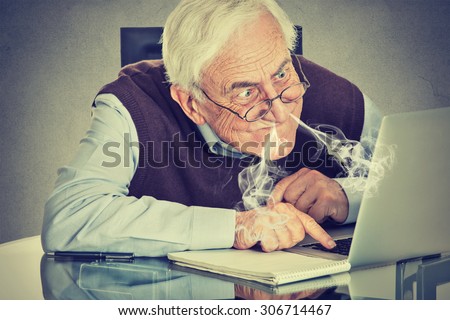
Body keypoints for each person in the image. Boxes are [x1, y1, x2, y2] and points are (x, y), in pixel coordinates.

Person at [42, 0, 382, 257]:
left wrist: (348, 194)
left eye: (281, 73)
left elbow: (424, 184)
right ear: (192, 103)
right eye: (247, 92)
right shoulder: (133, 105)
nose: (279, 110)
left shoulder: (333, 94)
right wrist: (235, 226)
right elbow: (71, 216)